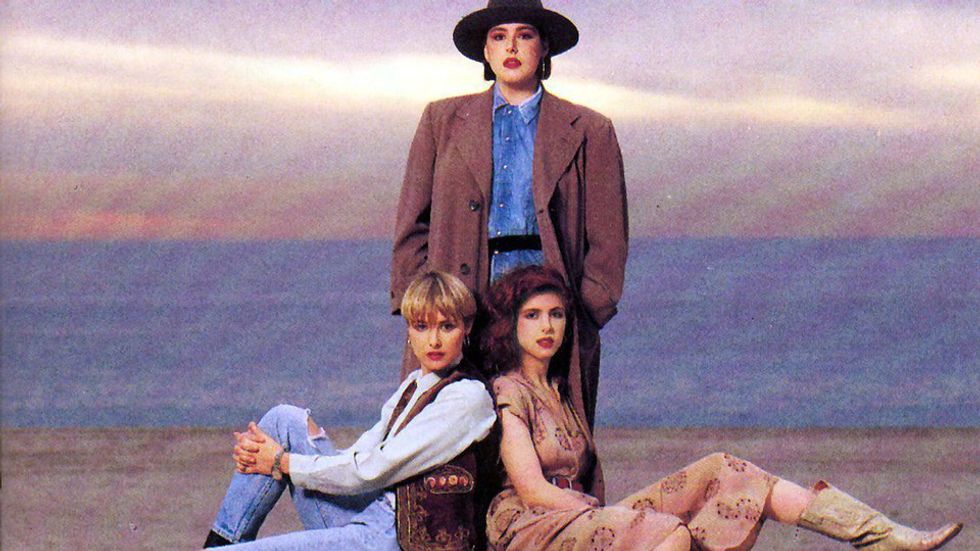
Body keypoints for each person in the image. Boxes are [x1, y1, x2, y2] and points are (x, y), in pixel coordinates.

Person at [480, 265, 962, 551]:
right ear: (511, 326)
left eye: (556, 314)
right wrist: (599, 512)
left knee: (728, 470)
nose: (548, 326)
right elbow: (532, 489)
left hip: (582, 520)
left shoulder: (562, 389)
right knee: (671, 534)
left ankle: (876, 536)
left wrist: (602, 515)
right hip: (533, 529)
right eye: (532, 316)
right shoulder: (508, 390)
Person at [391, 0, 628, 432]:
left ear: (545, 46)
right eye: (499, 36)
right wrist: (421, 310)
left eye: (525, 35)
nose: (511, 47)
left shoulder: (590, 130)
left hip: (547, 307)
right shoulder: (441, 121)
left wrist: (583, 314)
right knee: (450, 439)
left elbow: (609, 241)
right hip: (459, 302)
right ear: (486, 50)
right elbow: (412, 225)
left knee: (550, 438)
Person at [202, 271, 497, 550]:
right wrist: (268, 456)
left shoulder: (467, 398)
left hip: (393, 539)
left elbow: (373, 468)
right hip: (372, 512)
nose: (434, 341)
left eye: (447, 326)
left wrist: (282, 462)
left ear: (467, 327)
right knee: (284, 420)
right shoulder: (415, 383)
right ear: (409, 329)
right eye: (422, 326)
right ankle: (221, 539)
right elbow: (360, 454)